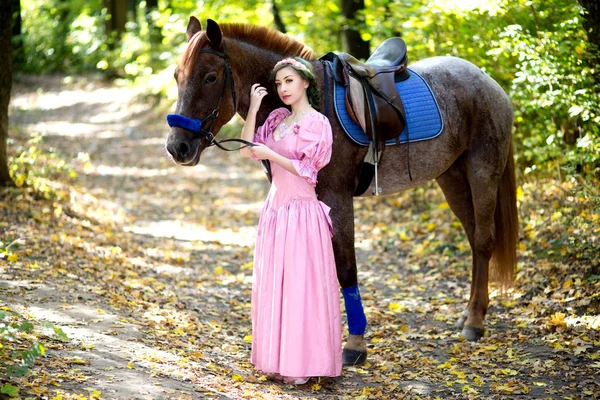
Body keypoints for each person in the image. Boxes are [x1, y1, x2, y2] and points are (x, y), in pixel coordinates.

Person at [239, 57, 342, 384]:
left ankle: (302, 364)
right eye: (279, 83)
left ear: (306, 83)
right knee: (276, 283)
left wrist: (271, 155)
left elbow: (308, 169)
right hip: (275, 210)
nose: (283, 88)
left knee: (301, 287)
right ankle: (277, 360)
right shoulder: (276, 118)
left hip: (300, 212)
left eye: (289, 81)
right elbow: (246, 150)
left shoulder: (317, 123)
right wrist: (254, 107)